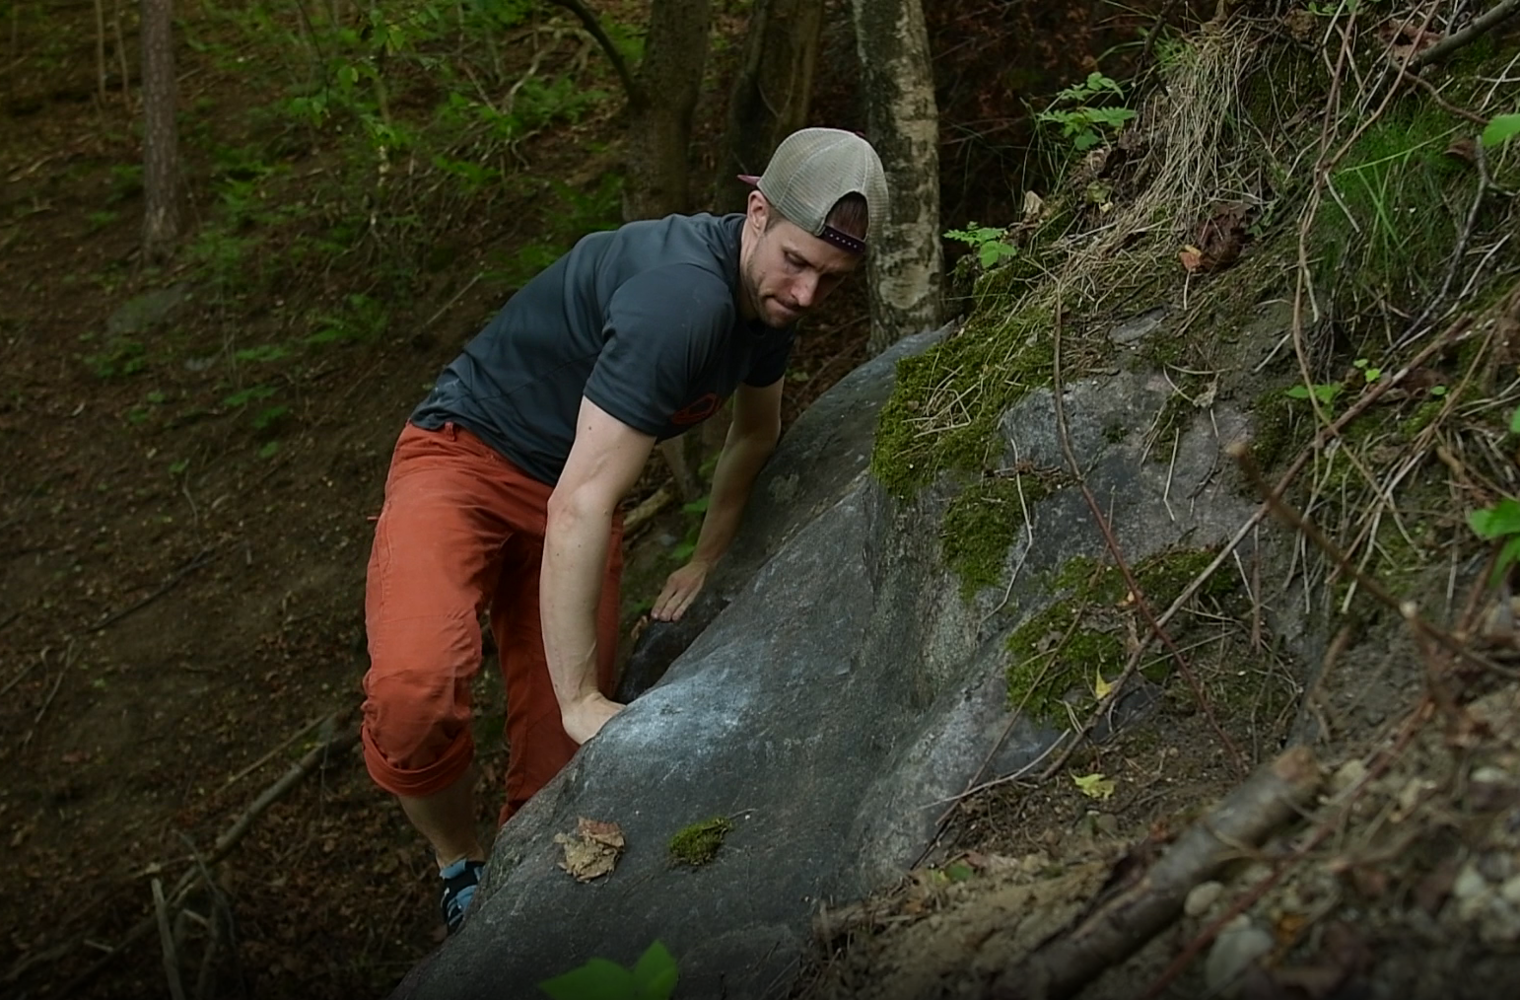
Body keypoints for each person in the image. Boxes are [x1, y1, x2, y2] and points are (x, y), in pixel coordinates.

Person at [359, 127, 888, 934]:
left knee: (563, 776)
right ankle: (458, 866)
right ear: (756, 212)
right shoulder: (683, 299)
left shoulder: (767, 302)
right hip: (465, 462)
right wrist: (579, 698)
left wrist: (708, 557)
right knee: (414, 694)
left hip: (573, 496)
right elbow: (581, 502)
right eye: (796, 262)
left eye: (830, 278)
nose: (808, 294)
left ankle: (513, 925)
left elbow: (755, 433)